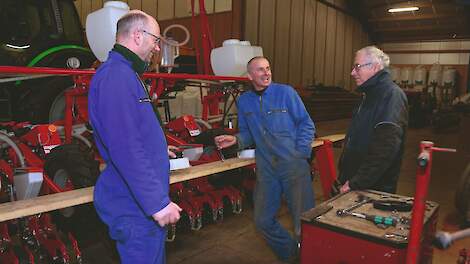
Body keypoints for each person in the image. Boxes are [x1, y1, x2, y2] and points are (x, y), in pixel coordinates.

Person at [88, 10, 181, 263]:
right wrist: (157, 204)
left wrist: (158, 149)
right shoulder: (116, 77)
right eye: (155, 39)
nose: (157, 47)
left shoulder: (128, 74)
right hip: (134, 208)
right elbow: (125, 146)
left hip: (139, 205)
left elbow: (134, 134)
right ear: (138, 35)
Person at [215, 56, 315, 262]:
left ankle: (308, 258)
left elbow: (306, 124)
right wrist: (234, 140)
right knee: (262, 221)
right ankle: (292, 255)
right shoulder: (244, 101)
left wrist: (301, 153)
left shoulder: (286, 92)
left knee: (303, 222)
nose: (266, 73)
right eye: (260, 70)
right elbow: (247, 134)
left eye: (268, 68)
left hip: (293, 166)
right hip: (267, 169)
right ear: (250, 76)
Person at [339, 46, 408, 194]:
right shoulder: (368, 95)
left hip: (373, 188)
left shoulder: (391, 96)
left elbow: (384, 149)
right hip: (355, 182)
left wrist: (357, 182)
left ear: (375, 67)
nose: (352, 73)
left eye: (357, 67)